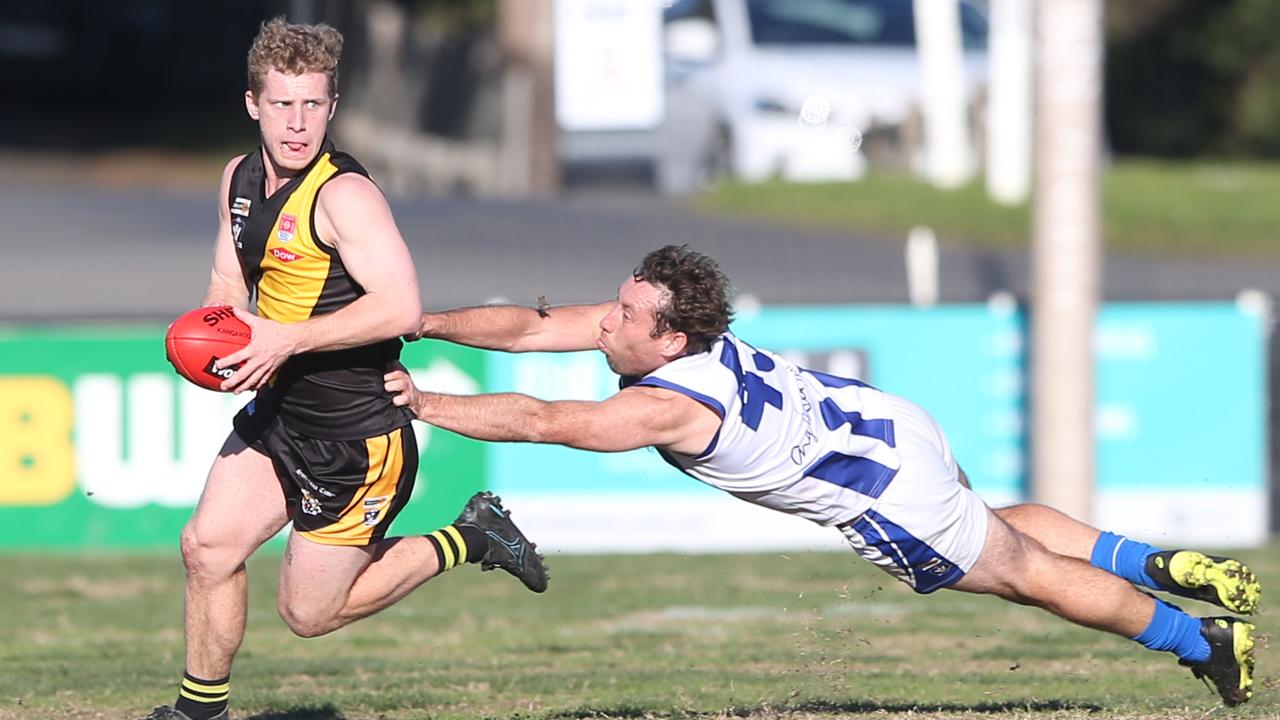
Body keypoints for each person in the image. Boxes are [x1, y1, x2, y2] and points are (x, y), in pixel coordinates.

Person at [385, 244, 1262, 707]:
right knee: (996, 523)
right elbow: (533, 329)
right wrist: (418, 320)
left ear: (671, 339)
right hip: (894, 425)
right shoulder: (679, 331)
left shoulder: (671, 401)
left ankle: (1206, 643)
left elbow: (548, 421)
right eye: (614, 305)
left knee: (1027, 577)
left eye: (622, 314)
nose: (603, 321)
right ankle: (1157, 565)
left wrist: (422, 404)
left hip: (890, 496)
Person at [142, 18, 548, 720]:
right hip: (280, 416)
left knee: (308, 613)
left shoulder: (343, 197)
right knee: (207, 546)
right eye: (281, 105)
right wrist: (215, 335)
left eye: (312, 106)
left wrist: (284, 341)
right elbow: (226, 278)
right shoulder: (236, 179)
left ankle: (473, 536)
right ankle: (198, 712)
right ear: (252, 104)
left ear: (332, 108)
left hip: (355, 439)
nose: (297, 124)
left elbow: (400, 307)